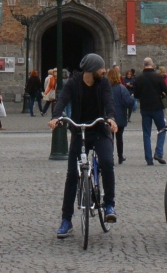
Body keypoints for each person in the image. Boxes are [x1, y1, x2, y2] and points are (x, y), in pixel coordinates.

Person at [51, 53, 118, 238]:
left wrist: (111, 118)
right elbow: (62, 100)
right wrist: (56, 117)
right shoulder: (73, 83)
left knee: (107, 163)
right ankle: (66, 220)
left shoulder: (103, 83)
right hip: (80, 131)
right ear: (91, 70)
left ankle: (109, 205)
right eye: (101, 68)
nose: (104, 71)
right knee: (72, 174)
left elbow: (109, 101)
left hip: (100, 130)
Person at [135, 56, 167, 165]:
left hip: (145, 108)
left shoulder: (139, 78)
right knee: (162, 129)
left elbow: (136, 95)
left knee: (146, 133)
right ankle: (158, 153)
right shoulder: (158, 77)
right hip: (157, 107)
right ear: (152, 65)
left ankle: (149, 159)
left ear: (143, 65)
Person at [108, 66, 134, 164]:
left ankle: (110, 156)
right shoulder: (121, 88)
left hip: (109, 116)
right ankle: (120, 156)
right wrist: (132, 99)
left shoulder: (106, 89)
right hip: (120, 116)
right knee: (119, 137)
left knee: (109, 138)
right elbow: (128, 101)